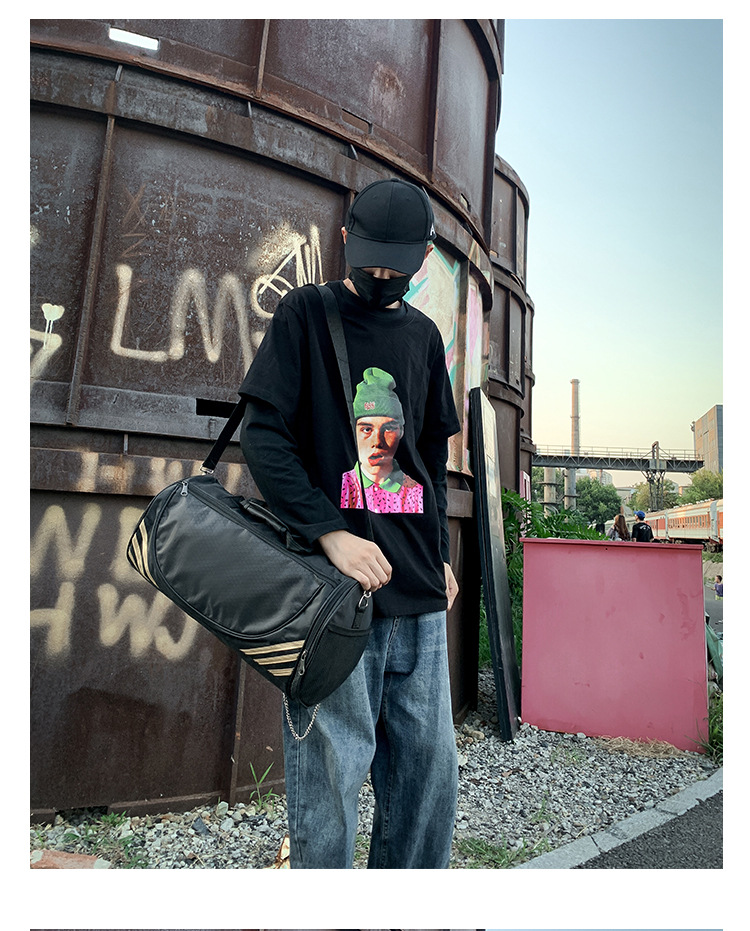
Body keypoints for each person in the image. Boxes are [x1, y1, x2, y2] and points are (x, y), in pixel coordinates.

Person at [238, 177, 461, 869]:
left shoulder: (424, 337)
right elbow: (263, 437)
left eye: (399, 266)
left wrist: (440, 553)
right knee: (330, 781)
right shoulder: (306, 314)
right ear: (344, 241)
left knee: (428, 781)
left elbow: (430, 461)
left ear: (423, 257)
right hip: (335, 599)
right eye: (371, 262)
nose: (384, 276)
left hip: (419, 595)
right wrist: (331, 533)